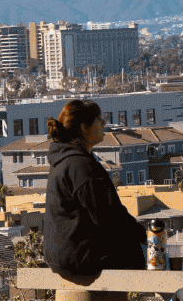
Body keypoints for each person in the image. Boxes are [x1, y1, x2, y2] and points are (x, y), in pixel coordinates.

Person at [43, 99, 145, 276]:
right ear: (84, 127)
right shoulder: (82, 166)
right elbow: (110, 218)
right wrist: (147, 237)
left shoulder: (63, 161)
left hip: (61, 257)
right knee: (156, 255)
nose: (104, 123)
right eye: (99, 119)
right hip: (81, 259)